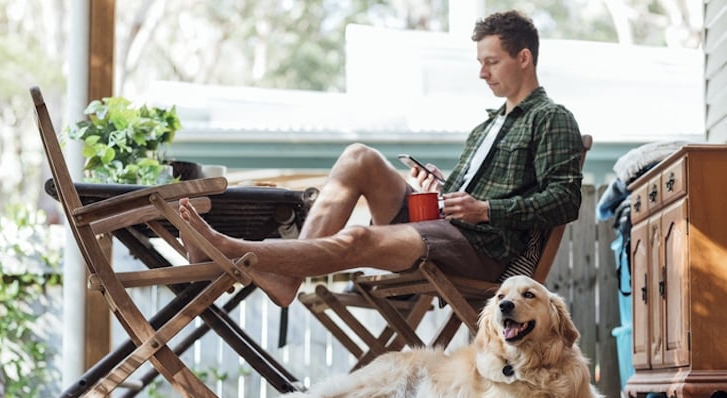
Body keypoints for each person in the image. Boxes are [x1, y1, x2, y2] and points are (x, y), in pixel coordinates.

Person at [179, 10, 584, 308]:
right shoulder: (486, 127)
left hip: (480, 248)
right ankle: (287, 278)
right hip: (443, 225)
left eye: (491, 62)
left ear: (524, 58)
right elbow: (462, 197)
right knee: (360, 157)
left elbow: (565, 200)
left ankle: (230, 247)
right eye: (480, 62)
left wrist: (488, 210)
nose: (482, 73)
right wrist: (440, 188)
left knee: (358, 238)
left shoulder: (551, 118)